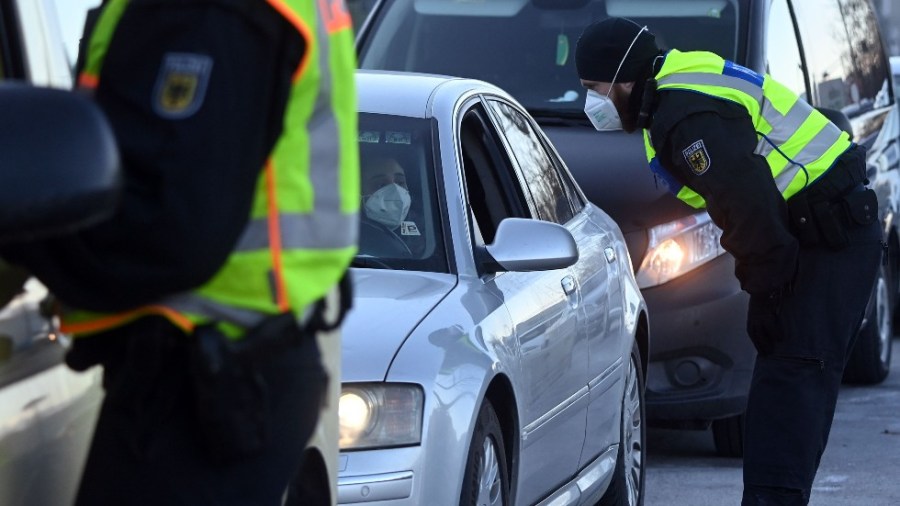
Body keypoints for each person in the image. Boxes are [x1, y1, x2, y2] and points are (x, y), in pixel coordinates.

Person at [0, 0, 359, 504]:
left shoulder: (208, 14)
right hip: (224, 369)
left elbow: (168, 229)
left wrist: (24, 239)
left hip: (208, 388)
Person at [574, 17, 883, 506]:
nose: (590, 102)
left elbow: (749, 206)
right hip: (814, 230)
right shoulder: (678, 86)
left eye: (594, 88)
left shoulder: (685, 115)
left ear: (623, 76)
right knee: (786, 383)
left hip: (829, 235)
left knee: (793, 380)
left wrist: (768, 292)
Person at [359, 156, 422, 257]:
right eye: (381, 185)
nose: (395, 190)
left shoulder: (426, 232)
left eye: (400, 182)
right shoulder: (343, 236)